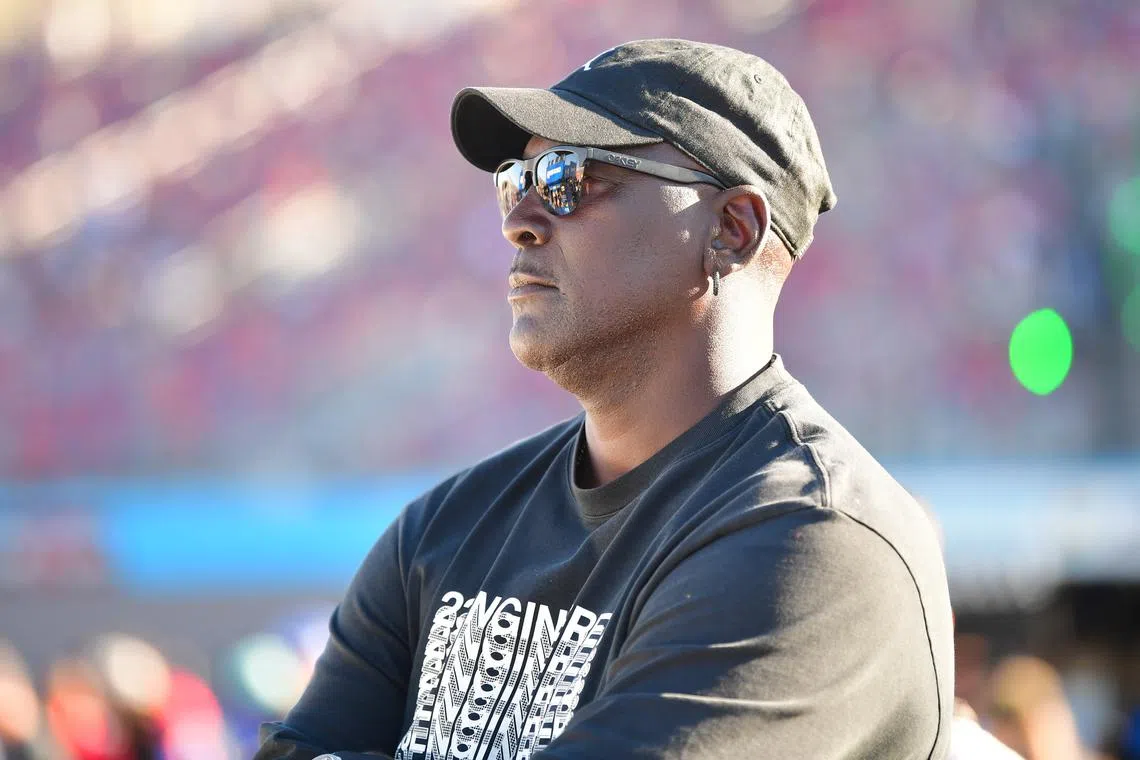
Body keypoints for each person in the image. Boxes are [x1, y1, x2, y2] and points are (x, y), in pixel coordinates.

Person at [254, 38, 955, 760]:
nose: (519, 219)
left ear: (732, 229)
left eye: (570, 177)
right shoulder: (443, 530)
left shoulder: (812, 537)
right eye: (515, 182)